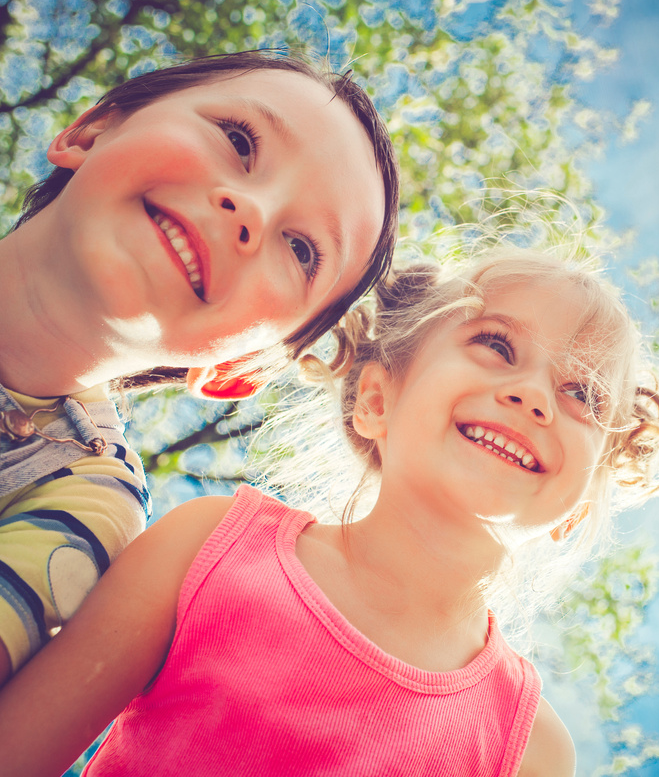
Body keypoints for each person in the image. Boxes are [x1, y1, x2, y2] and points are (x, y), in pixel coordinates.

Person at [0, 246, 659, 776]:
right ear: (377, 401)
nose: (535, 395)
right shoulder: (209, 549)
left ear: (580, 504)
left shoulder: (528, 748)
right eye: (496, 345)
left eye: (583, 395)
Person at [0, 50, 401, 685]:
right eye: (238, 139)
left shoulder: (86, 503)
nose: (252, 211)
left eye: (301, 250)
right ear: (90, 130)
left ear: (241, 369)